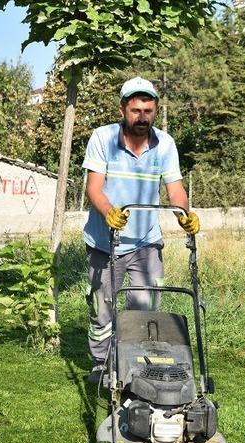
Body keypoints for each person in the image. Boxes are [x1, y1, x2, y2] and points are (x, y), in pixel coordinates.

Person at [81, 76, 200, 384]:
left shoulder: (165, 145)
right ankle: (100, 363)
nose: (142, 117)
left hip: (146, 243)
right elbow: (93, 187)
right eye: (135, 111)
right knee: (101, 307)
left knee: (146, 306)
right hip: (105, 242)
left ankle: (135, 363)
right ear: (123, 109)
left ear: (156, 110)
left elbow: (175, 189)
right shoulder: (102, 138)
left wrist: (184, 215)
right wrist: (109, 213)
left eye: (148, 111)